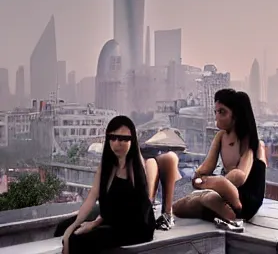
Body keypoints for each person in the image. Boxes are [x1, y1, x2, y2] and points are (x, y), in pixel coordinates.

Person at [56, 115, 181, 254]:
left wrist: (94, 224)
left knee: (76, 240)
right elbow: (92, 197)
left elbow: (131, 210)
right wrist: (73, 225)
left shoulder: (136, 169)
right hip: (112, 218)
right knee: (63, 228)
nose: (117, 143)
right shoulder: (106, 167)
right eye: (113, 138)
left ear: (132, 141)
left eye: (123, 139)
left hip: (135, 226)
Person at [173, 89, 267, 226]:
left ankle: (230, 210)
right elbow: (207, 166)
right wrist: (200, 176)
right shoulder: (221, 137)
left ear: (236, 115)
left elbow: (240, 176)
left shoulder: (251, 142)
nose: (216, 116)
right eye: (216, 112)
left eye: (222, 112)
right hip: (223, 194)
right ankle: (226, 213)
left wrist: (211, 183)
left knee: (213, 192)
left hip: (245, 199)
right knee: (182, 206)